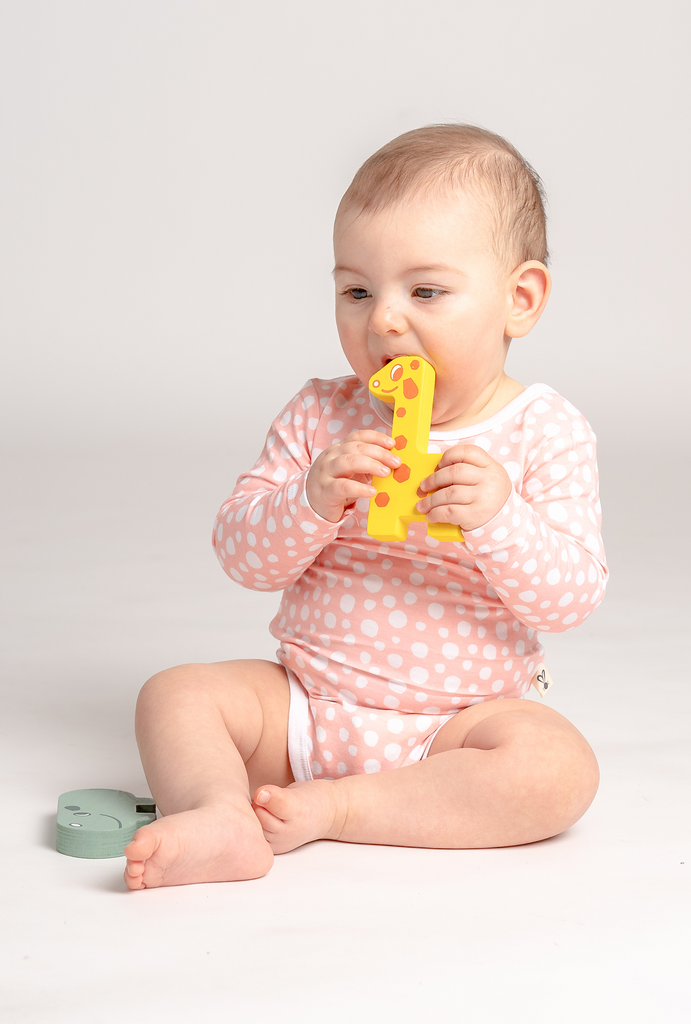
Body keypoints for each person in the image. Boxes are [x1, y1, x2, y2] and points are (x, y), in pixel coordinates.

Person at [124, 124, 608, 889]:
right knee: (174, 695)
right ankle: (219, 814)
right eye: (356, 290)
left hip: (459, 727)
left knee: (557, 770)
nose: (382, 319)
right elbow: (241, 555)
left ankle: (344, 809)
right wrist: (309, 500)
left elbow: (571, 596)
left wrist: (499, 519)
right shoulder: (322, 415)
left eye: (425, 291)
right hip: (303, 708)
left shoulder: (542, 430)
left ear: (520, 300)